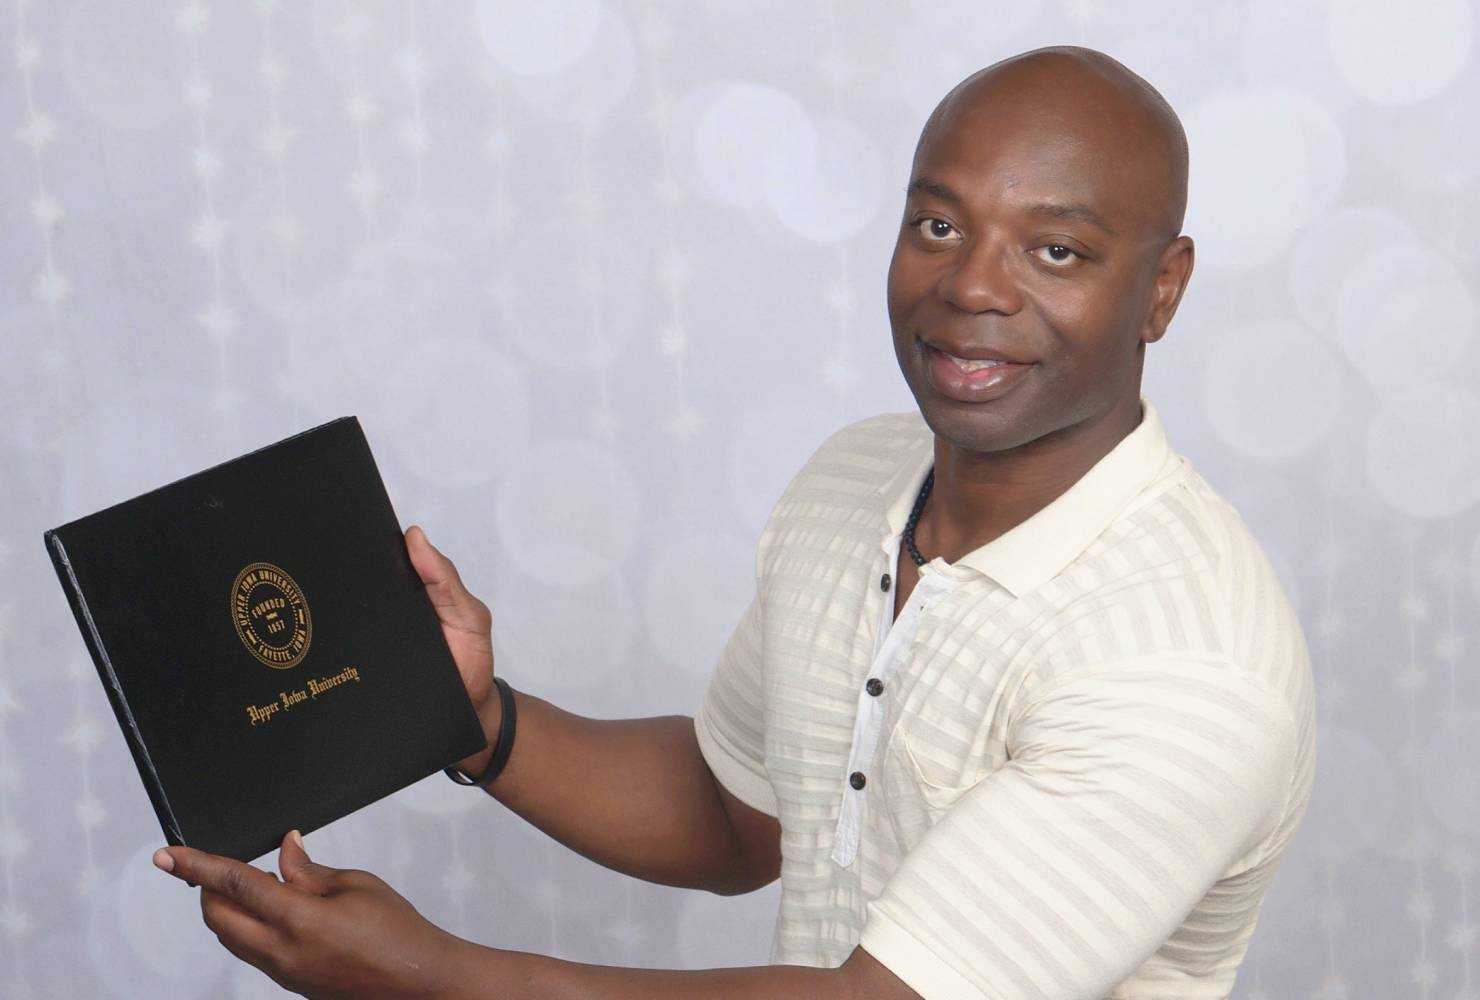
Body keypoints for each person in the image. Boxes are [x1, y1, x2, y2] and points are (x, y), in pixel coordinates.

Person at [152, 43, 1315, 999]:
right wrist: (475, 720)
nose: (972, 286)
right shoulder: (854, 481)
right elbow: (736, 815)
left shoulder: (1186, 658)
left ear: (1162, 288)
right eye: (938, 226)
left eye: (1055, 250)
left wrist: (436, 980)